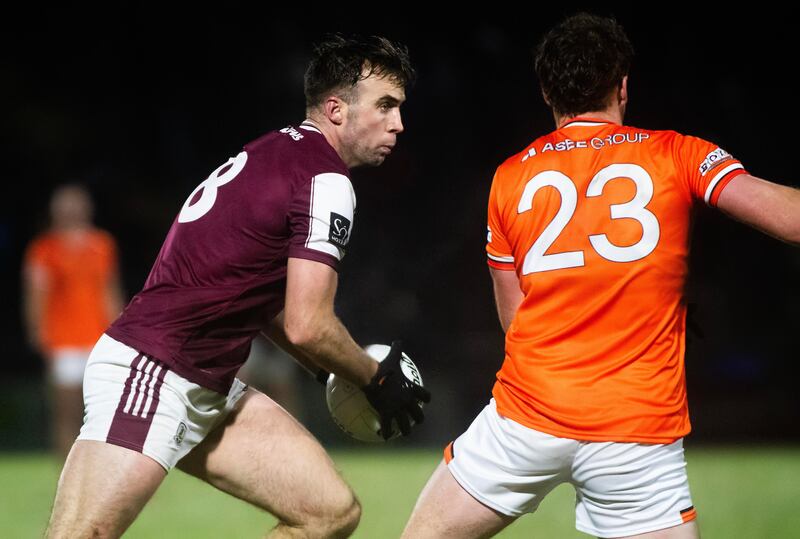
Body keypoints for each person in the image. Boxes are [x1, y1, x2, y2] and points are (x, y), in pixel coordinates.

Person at [403, 13, 799, 539]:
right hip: (634, 431)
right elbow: (789, 219)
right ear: (623, 86)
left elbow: (513, 317)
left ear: (548, 93)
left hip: (526, 419)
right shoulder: (677, 153)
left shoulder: (511, 176)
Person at [46, 34, 430, 539]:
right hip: (154, 371)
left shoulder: (274, 150)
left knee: (329, 513)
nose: (398, 123)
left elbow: (261, 299)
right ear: (336, 109)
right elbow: (309, 323)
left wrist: (330, 373)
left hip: (206, 382)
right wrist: (374, 378)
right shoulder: (326, 180)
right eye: (385, 106)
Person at [23, 184, 124, 460]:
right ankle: (66, 471)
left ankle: (106, 469)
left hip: (98, 337)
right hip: (63, 340)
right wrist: (37, 330)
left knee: (106, 411)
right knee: (66, 411)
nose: (71, 210)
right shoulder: (44, 249)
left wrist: (121, 329)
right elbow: (36, 294)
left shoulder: (102, 244)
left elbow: (109, 289)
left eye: (76, 204)